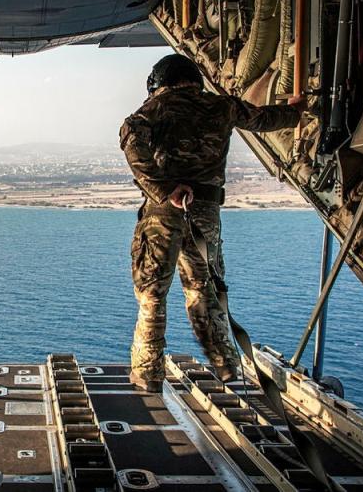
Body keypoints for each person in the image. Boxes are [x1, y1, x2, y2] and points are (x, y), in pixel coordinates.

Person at [120, 54, 306, 392]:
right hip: (205, 211)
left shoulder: (158, 106)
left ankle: (148, 375)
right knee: (202, 289)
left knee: (152, 293)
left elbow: (130, 135)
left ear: (159, 82)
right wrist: (295, 109)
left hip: (164, 212)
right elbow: (264, 120)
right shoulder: (223, 106)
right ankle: (226, 366)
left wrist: (163, 189)